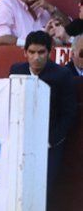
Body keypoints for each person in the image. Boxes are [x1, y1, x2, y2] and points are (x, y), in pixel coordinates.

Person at [9, 31, 77, 198]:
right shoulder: (17, 70)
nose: (36, 57)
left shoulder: (62, 75)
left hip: (50, 143)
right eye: (32, 52)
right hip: (22, 140)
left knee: (43, 189)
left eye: (41, 52)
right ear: (25, 52)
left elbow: (68, 112)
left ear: (49, 52)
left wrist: (51, 140)